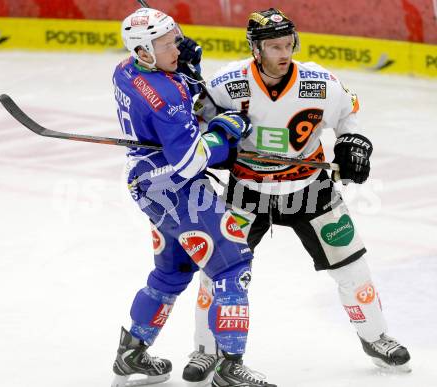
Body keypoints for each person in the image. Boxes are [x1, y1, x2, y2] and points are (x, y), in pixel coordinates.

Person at [182, 8, 411, 384]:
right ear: (256, 49)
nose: (284, 53)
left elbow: (349, 119)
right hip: (248, 191)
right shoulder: (227, 84)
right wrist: (218, 143)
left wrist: (354, 146)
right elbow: (199, 127)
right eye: (274, 47)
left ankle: (376, 336)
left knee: (353, 267)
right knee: (217, 273)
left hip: (310, 188)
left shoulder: (321, 82)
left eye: (288, 44)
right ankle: (206, 350)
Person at [111, 7, 277, 387]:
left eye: (174, 38)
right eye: (167, 44)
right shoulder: (165, 95)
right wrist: (224, 132)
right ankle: (229, 368)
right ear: (143, 51)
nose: (177, 46)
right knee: (232, 267)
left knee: (172, 272)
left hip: (147, 185)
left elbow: (176, 106)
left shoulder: (125, 70)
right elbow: (189, 161)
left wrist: (189, 75)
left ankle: (131, 352)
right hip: (179, 189)